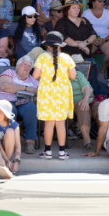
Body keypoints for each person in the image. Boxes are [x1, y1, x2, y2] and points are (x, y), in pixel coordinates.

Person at [30, 31, 76, 160]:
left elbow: (35, 76)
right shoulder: (67, 58)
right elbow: (72, 76)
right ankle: (62, 152)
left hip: (46, 93)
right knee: (60, 122)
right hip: (62, 93)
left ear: (47, 46)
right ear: (60, 45)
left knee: (49, 123)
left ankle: (48, 151)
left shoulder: (42, 57)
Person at [0, 56, 39, 154]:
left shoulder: (33, 81)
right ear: (17, 65)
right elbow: (4, 86)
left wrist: (15, 88)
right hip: (4, 101)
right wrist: (26, 89)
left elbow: (39, 93)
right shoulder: (9, 73)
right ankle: (7, 141)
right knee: (9, 109)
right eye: (24, 64)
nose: (27, 67)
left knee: (31, 107)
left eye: (29, 66)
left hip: (23, 103)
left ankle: (30, 141)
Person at [82, 0, 109, 76]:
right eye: (100, 0)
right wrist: (92, 40)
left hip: (106, 39)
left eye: (103, 0)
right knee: (86, 54)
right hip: (91, 39)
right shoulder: (86, 13)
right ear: (93, 2)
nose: (102, 2)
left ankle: (102, 71)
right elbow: (83, 30)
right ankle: (90, 75)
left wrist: (104, 39)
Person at [69, 67, 96, 150]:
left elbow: (86, 87)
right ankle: (87, 138)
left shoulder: (78, 74)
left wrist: (86, 98)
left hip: (89, 99)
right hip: (74, 102)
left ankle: (107, 139)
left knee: (102, 109)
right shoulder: (60, 78)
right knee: (83, 107)